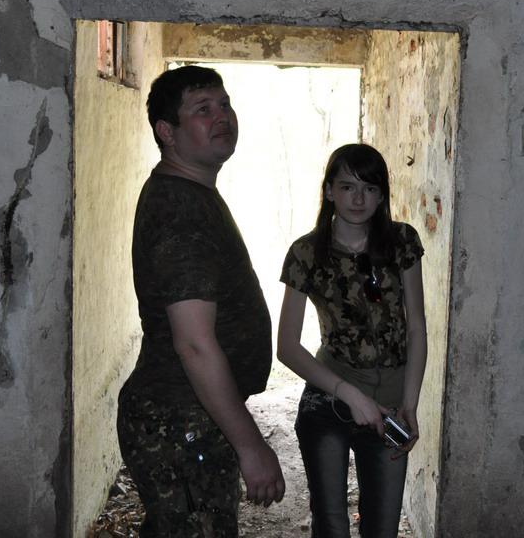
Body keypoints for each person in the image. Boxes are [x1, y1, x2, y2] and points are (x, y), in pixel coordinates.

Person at [117, 65, 285, 537]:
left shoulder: (192, 192)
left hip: (188, 416)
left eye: (224, 104)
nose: (222, 116)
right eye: (203, 109)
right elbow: (194, 344)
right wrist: (251, 446)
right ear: (167, 132)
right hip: (179, 422)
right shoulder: (181, 210)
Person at [277, 143, 427, 538]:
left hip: (391, 405)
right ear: (329, 191)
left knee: (382, 528)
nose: (358, 199)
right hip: (329, 400)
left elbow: (416, 327)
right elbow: (287, 346)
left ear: (382, 196)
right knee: (331, 524)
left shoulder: (402, 242)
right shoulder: (306, 253)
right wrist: (351, 395)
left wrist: (410, 405)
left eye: (370, 188)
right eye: (347, 187)